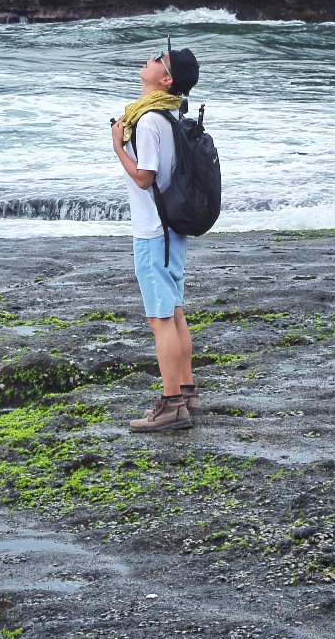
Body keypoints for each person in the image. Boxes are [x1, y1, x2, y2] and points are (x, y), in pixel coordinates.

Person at [109, 42, 202, 432]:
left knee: (161, 319)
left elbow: (145, 178)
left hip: (153, 232)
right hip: (170, 231)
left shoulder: (147, 121)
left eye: (159, 59)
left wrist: (117, 146)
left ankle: (171, 406)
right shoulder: (165, 115)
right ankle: (187, 391)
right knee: (175, 311)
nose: (150, 57)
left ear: (165, 79)